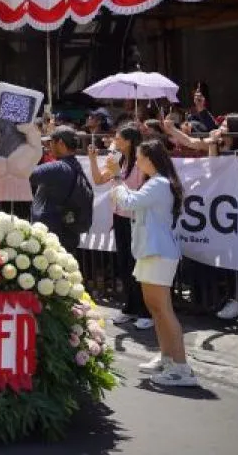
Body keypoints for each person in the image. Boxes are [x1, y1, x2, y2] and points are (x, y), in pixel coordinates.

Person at [103, 140, 198, 387]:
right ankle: (167, 357)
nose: (137, 162)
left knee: (163, 310)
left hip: (158, 252)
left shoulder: (158, 183)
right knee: (155, 308)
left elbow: (129, 202)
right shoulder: (156, 182)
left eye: (139, 158)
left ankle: (181, 368)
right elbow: (130, 201)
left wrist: (116, 177)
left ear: (150, 159)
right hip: (151, 252)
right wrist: (117, 180)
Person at [88, 124, 153, 330]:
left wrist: (117, 175)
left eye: (118, 138)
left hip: (137, 218)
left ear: (129, 141)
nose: (114, 141)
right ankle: (130, 307)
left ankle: (146, 311)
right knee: (124, 263)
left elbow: (137, 191)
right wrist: (93, 159)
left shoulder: (141, 162)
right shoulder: (117, 159)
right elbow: (99, 179)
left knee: (137, 264)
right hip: (119, 217)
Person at [28, 126, 86, 255]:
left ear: (60, 143)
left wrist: (32, 153)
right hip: (67, 231)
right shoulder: (75, 165)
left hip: (52, 235)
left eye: (51, 142)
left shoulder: (57, 168)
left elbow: (25, 174)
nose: (48, 146)